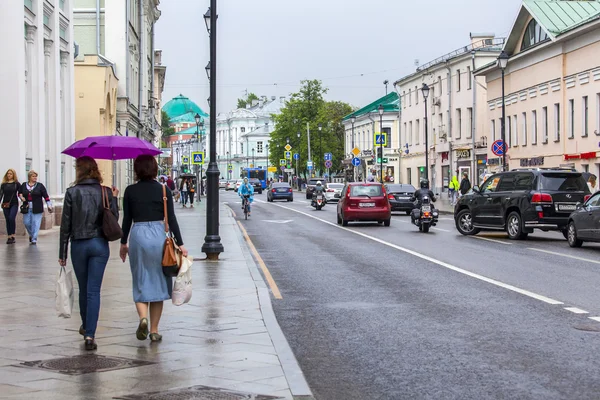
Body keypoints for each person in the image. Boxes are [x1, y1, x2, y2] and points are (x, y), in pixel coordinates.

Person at [120, 155, 188, 343]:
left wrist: (123, 243)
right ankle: (154, 330)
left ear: (136, 170)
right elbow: (172, 219)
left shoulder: (130, 191)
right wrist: (181, 244)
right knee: (159, 282)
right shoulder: (163, 190)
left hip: (138, 235)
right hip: (159, 237)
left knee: (140, 279)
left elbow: (126, 220)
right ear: (155, 169)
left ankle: (143, 318)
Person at [59, 157, 119, 351]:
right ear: (95, 171)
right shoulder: (105, 192)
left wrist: (62, 253)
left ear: (79, 171)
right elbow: (114, 219)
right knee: (94, 290)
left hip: (79, 245)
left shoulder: (71, 193)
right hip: (99, 245)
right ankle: (90, 335)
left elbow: (65, 226)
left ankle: (86, 327)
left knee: (83, 289)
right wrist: (114, 198)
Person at [19, 170, 52, 245]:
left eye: (36, 176)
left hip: (37, 207)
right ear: (29, 177)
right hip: (26, 207)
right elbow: (20, 193)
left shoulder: (40, 186)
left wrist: (49, 204)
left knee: (35, 223)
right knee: (26, 222)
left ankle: (34, 238)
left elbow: (46, 196)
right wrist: (21, 197)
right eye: (33, 176)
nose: (35, 178)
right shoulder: (24, 185)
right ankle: (31, 234)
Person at [1, 169, 20, 244]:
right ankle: (9, 236)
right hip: (5, 204)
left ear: (13, 175)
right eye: (8, 174)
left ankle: (13, 235)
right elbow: (1, 194)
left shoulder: (16, 184)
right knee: (7, 220)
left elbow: (21, 192)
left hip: (14, 203)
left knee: (11, 218)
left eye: (11, 174)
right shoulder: (3, 184)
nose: (9, 175)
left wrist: (23, 198)